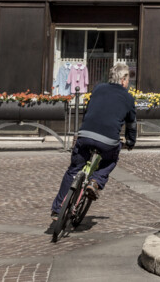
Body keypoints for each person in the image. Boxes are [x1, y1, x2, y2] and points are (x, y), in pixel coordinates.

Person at [51, 63, 137, 219]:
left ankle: (57, 209)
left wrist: (83, 130)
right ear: (123, 80)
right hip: (107, 141)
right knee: (110, 160)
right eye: (128, 80)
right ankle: (95, 181)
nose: (128, 83)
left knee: (74, 169)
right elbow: (131, 124)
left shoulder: (98, 88)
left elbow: (89, 109)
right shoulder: (128, 98)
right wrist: (131, 142)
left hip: (85, 134)